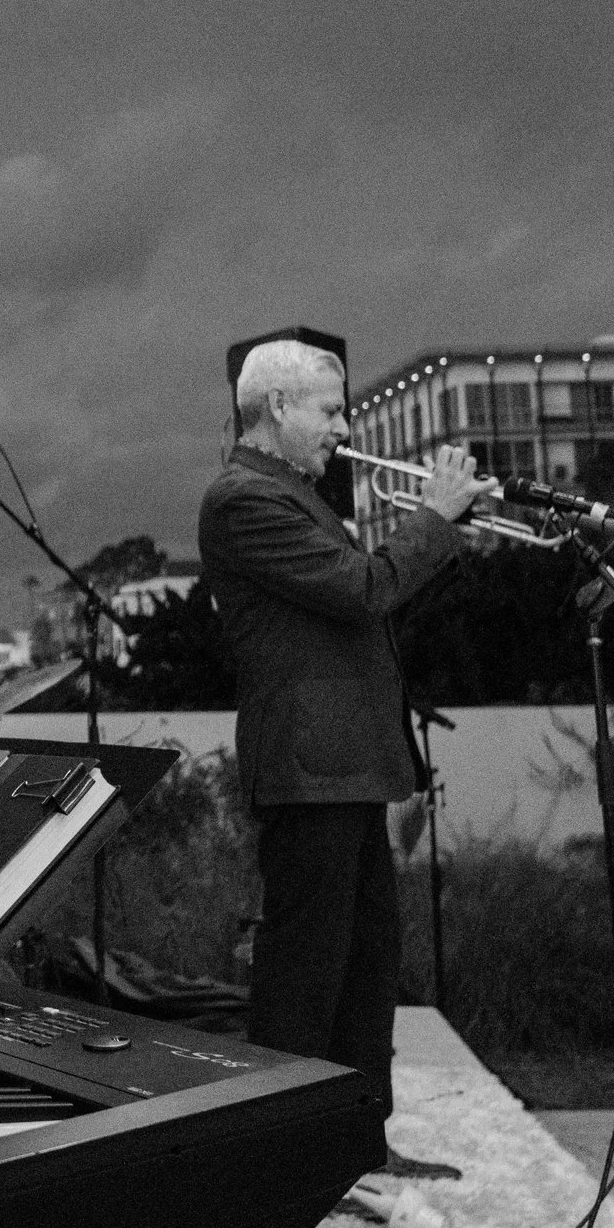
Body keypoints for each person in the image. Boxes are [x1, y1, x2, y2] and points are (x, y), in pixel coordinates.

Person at [198, 338, 491, 1176]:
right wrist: (435, 518)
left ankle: (359, 1147)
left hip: (347, 765)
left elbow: (367, 603)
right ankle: (280, 1162)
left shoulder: (297, 493)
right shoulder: (242, 497)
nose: (343, 426)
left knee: (366, 971)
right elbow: (364, 589)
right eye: (329, 410)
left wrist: (440, 532)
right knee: (305, 974)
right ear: (278, 408)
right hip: (308, 766)